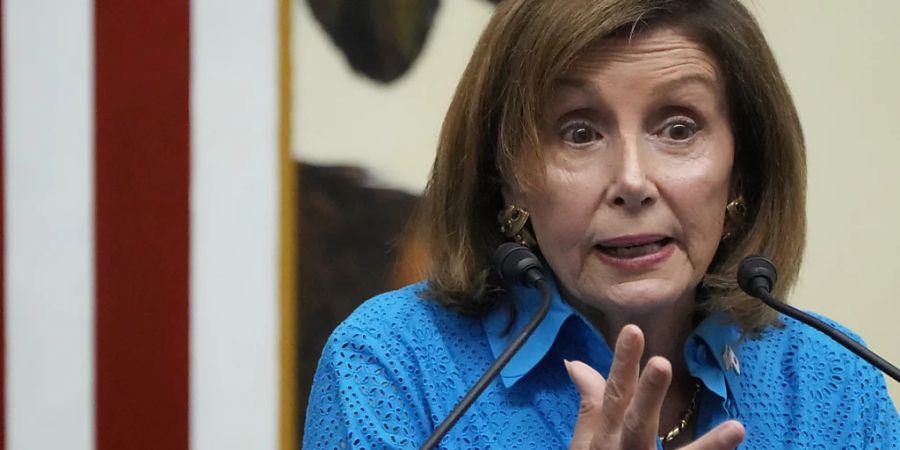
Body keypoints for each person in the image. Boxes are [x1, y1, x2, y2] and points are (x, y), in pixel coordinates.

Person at [303, 0, 900, 448]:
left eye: (679, 127)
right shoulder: (390, 363)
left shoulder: (830, 380)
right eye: (579, 132)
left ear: (742, 169)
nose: (634, 181)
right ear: (507, 177)